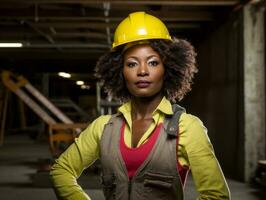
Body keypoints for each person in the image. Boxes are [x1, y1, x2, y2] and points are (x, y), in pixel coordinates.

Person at [50, 11, 231, 200]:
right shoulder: (103, 128)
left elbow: (216, 196)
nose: (142, 71)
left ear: (168, 69)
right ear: (119, 72)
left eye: (153, 63)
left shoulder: (187, 127)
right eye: (131, 64)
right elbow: (61, 170)